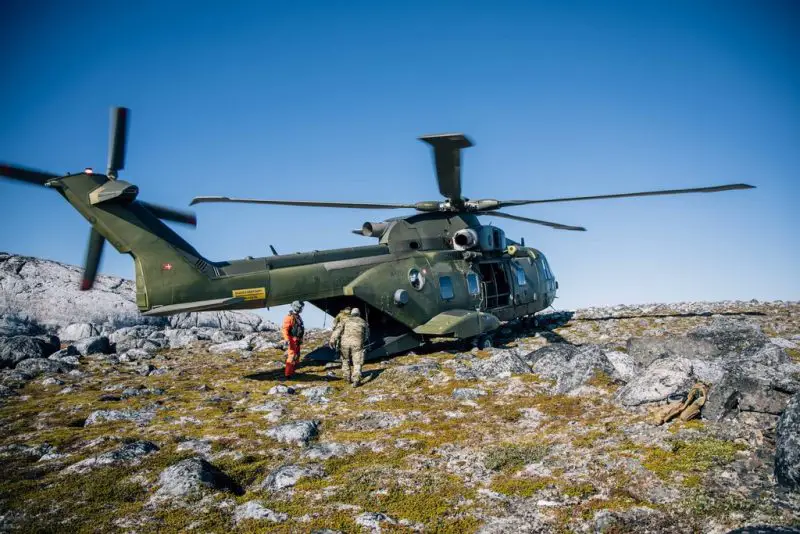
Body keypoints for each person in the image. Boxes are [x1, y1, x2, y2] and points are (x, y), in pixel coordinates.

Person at [329, 307, 369, 387]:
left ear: (351, 313)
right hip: (357, 344)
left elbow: (338, 330)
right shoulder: (363, 322)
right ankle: (356, 379)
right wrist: (362, 341)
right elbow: (367, 335)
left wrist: (332, 339)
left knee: (345, 360)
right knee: (357, 362)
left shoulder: (345, 320)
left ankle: (347, 377)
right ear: (359, 314)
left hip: (345, 344)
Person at [282, 301, 305, 378]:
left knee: (296, 356)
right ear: (296, 307)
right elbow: (285, 329)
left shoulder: (297, 316)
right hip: (292, 340)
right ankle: (288, 374)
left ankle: (293, 372)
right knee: (291, 356)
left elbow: (300, 328)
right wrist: (286, 339)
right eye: (300, 307)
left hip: (297, 340)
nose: (302, 309)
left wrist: (301, 339)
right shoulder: (289, 317)